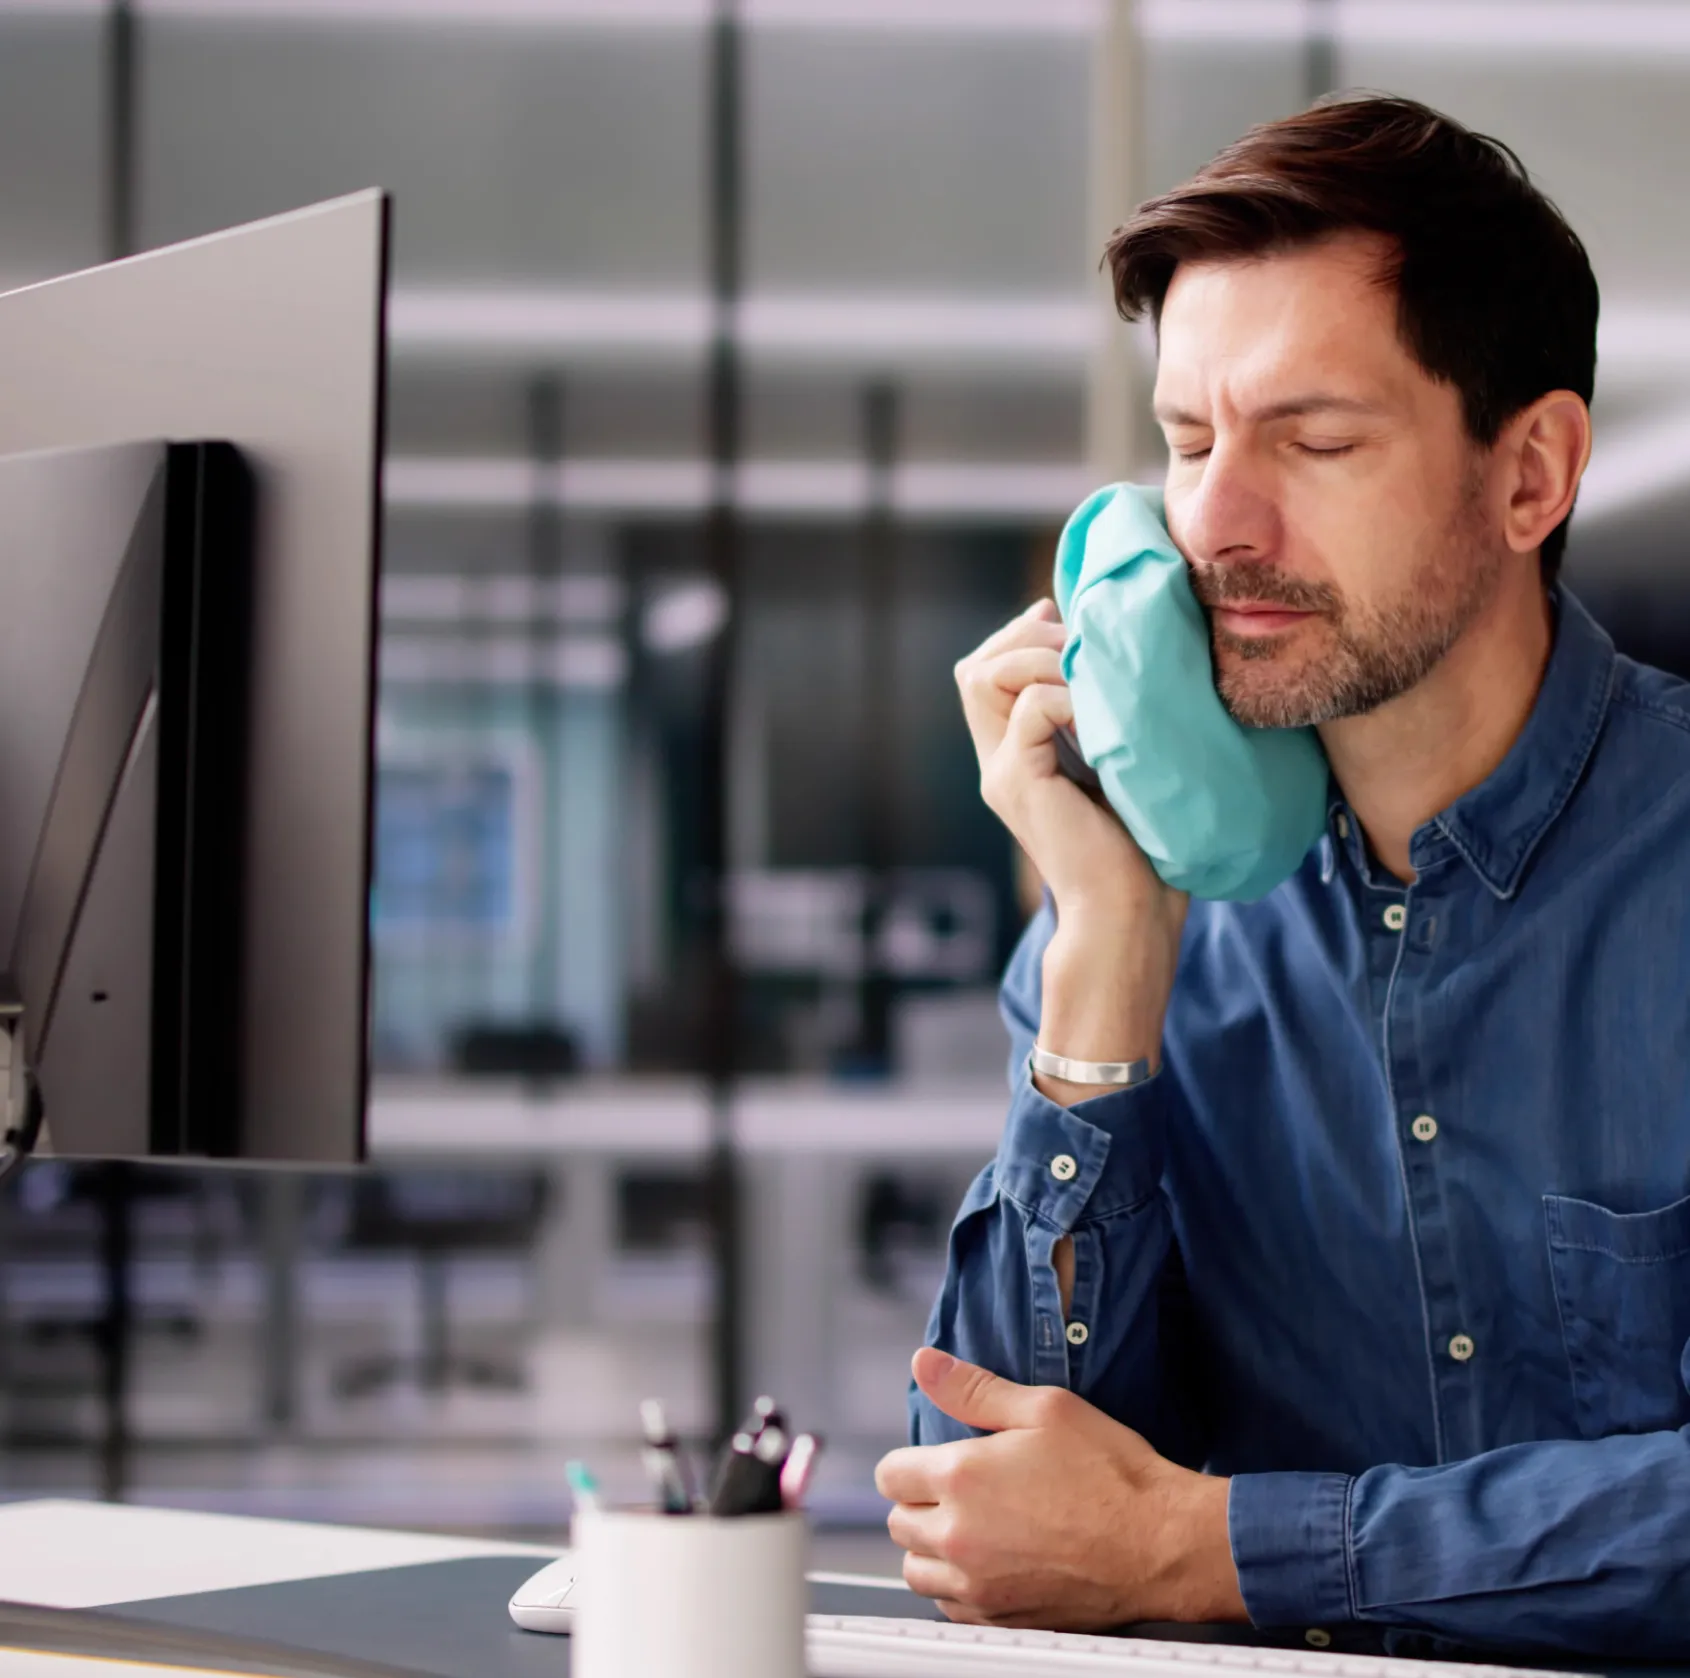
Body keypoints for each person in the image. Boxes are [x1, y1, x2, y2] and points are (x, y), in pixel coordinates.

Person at [874, 93, 1690, 1658]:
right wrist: (1104, 957)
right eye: (1186, 442)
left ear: (1530, 476)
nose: (1215, 524)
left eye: (1311, 441)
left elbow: (1135, 1545)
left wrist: (1210, 1547)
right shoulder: (1149, 911)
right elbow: (1006, 1516)